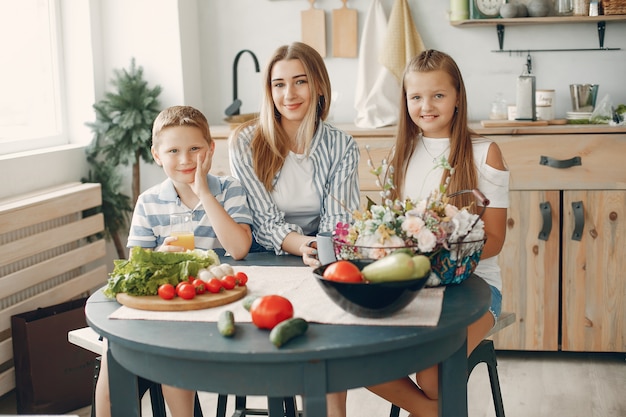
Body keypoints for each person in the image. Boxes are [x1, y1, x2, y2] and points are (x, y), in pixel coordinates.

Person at [364, 49, 510, 417]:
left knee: (432, 377)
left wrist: (440, 253)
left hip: (476, 290)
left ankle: (432, 408)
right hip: (414, 288)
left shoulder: (485, 153)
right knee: (354, 355)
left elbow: (494, 241)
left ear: (458, 96)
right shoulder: (400, 154)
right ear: (405, 101)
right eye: (416, 97)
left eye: (438, 95)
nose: (426, 106)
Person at [95, 105, 253, 417]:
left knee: (172, 358)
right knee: (113, 361)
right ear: (157, 154)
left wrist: (204, 192)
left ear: (210, 149)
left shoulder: (230, 190)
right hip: (167, 307)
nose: (185, 160)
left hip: (214, 304)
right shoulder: (149, 202)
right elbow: (135, 267)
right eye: (173, 151)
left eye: (195, 149)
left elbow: (238, 250)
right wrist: (159, 259)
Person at [229, 41, 360, 270]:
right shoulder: (245, 143)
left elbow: (339, 220)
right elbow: (265, 223)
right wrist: (308, 245)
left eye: (300, 81)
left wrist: (320, 250)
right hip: (263, 257)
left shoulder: (342, 145)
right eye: (279, 85)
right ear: (270, 91)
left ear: (319, 86)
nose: (289, 94)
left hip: (325, 254)